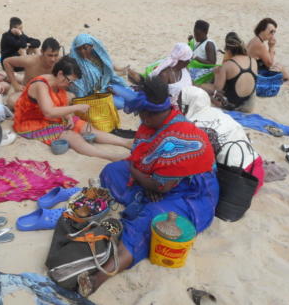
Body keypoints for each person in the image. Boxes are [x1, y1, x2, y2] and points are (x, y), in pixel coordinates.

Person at [76, 77, 219, 296]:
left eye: (141, 114)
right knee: (111, 172)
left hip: (192, 193)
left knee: (151, 220)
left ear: (148, 112)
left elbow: (161, 186)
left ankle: (99, 277)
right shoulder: (160, 121)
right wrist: (145, 176)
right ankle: (142, 196)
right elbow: (142, 158)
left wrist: (138, 173)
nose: (140, 119)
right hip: (157, 177)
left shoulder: (177, 139)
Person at [13, 57, 133, 161]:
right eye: (70, 81)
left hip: (50, 118)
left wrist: (68, 116)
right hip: (30, 122)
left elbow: (59, 104)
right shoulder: (41, 85)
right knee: (70, 136)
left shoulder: (58, 84)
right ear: (60, 74)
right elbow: (48, 111)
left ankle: (126, 142)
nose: (70, 85)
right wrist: (76, 108)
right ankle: (109, 156)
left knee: (84, 126)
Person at [181, 86, 264, 192]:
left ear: (186, 105)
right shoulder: (220, 114)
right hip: (257, 172)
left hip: (237, 182)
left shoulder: (193, 126)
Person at [69, 34, 135, 109]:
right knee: (121, 104)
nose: (82, 51)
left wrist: (125, 87)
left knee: (130, 95)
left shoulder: (98, 56)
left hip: (106, 86)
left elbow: (110, 74)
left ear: (91, 46)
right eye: (79, 49)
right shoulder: (77, 63)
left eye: (85, 48)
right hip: (93, 96)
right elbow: (79, 88)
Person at [200, 32, 257, 111]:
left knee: (202, 87)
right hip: (247, 102)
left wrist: (216, 74)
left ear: (228, 51)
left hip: (232, 104)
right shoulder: (252, 60)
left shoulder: (227, 65)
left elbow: (217, 89)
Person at [3, 37, 62, 110]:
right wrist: (15, 84)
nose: (53, 59)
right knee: (12, 101)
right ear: (42, 52)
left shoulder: (60, 61)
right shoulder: (30, 60)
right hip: (29, 91)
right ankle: (13, 77)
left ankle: (17, 77)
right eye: (50, 55)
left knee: (71, 97)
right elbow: (6, 62)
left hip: (49, 92)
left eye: (55, 55)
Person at [127, 43, 193, 106]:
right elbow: (160, 98)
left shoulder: (185, 68)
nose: (190, 61)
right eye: (188, 59)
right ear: (182, 60)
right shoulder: (165, 75)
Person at [247, 18, 289, 82]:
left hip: (252, 72)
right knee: (283, 70)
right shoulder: (260, 44)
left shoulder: (255, 40)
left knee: (281, 67)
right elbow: (269, 64)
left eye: (274, 32)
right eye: (271, 31)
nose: (272, 34)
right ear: (262, 30)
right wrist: (271, 47)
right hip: (257, 75)